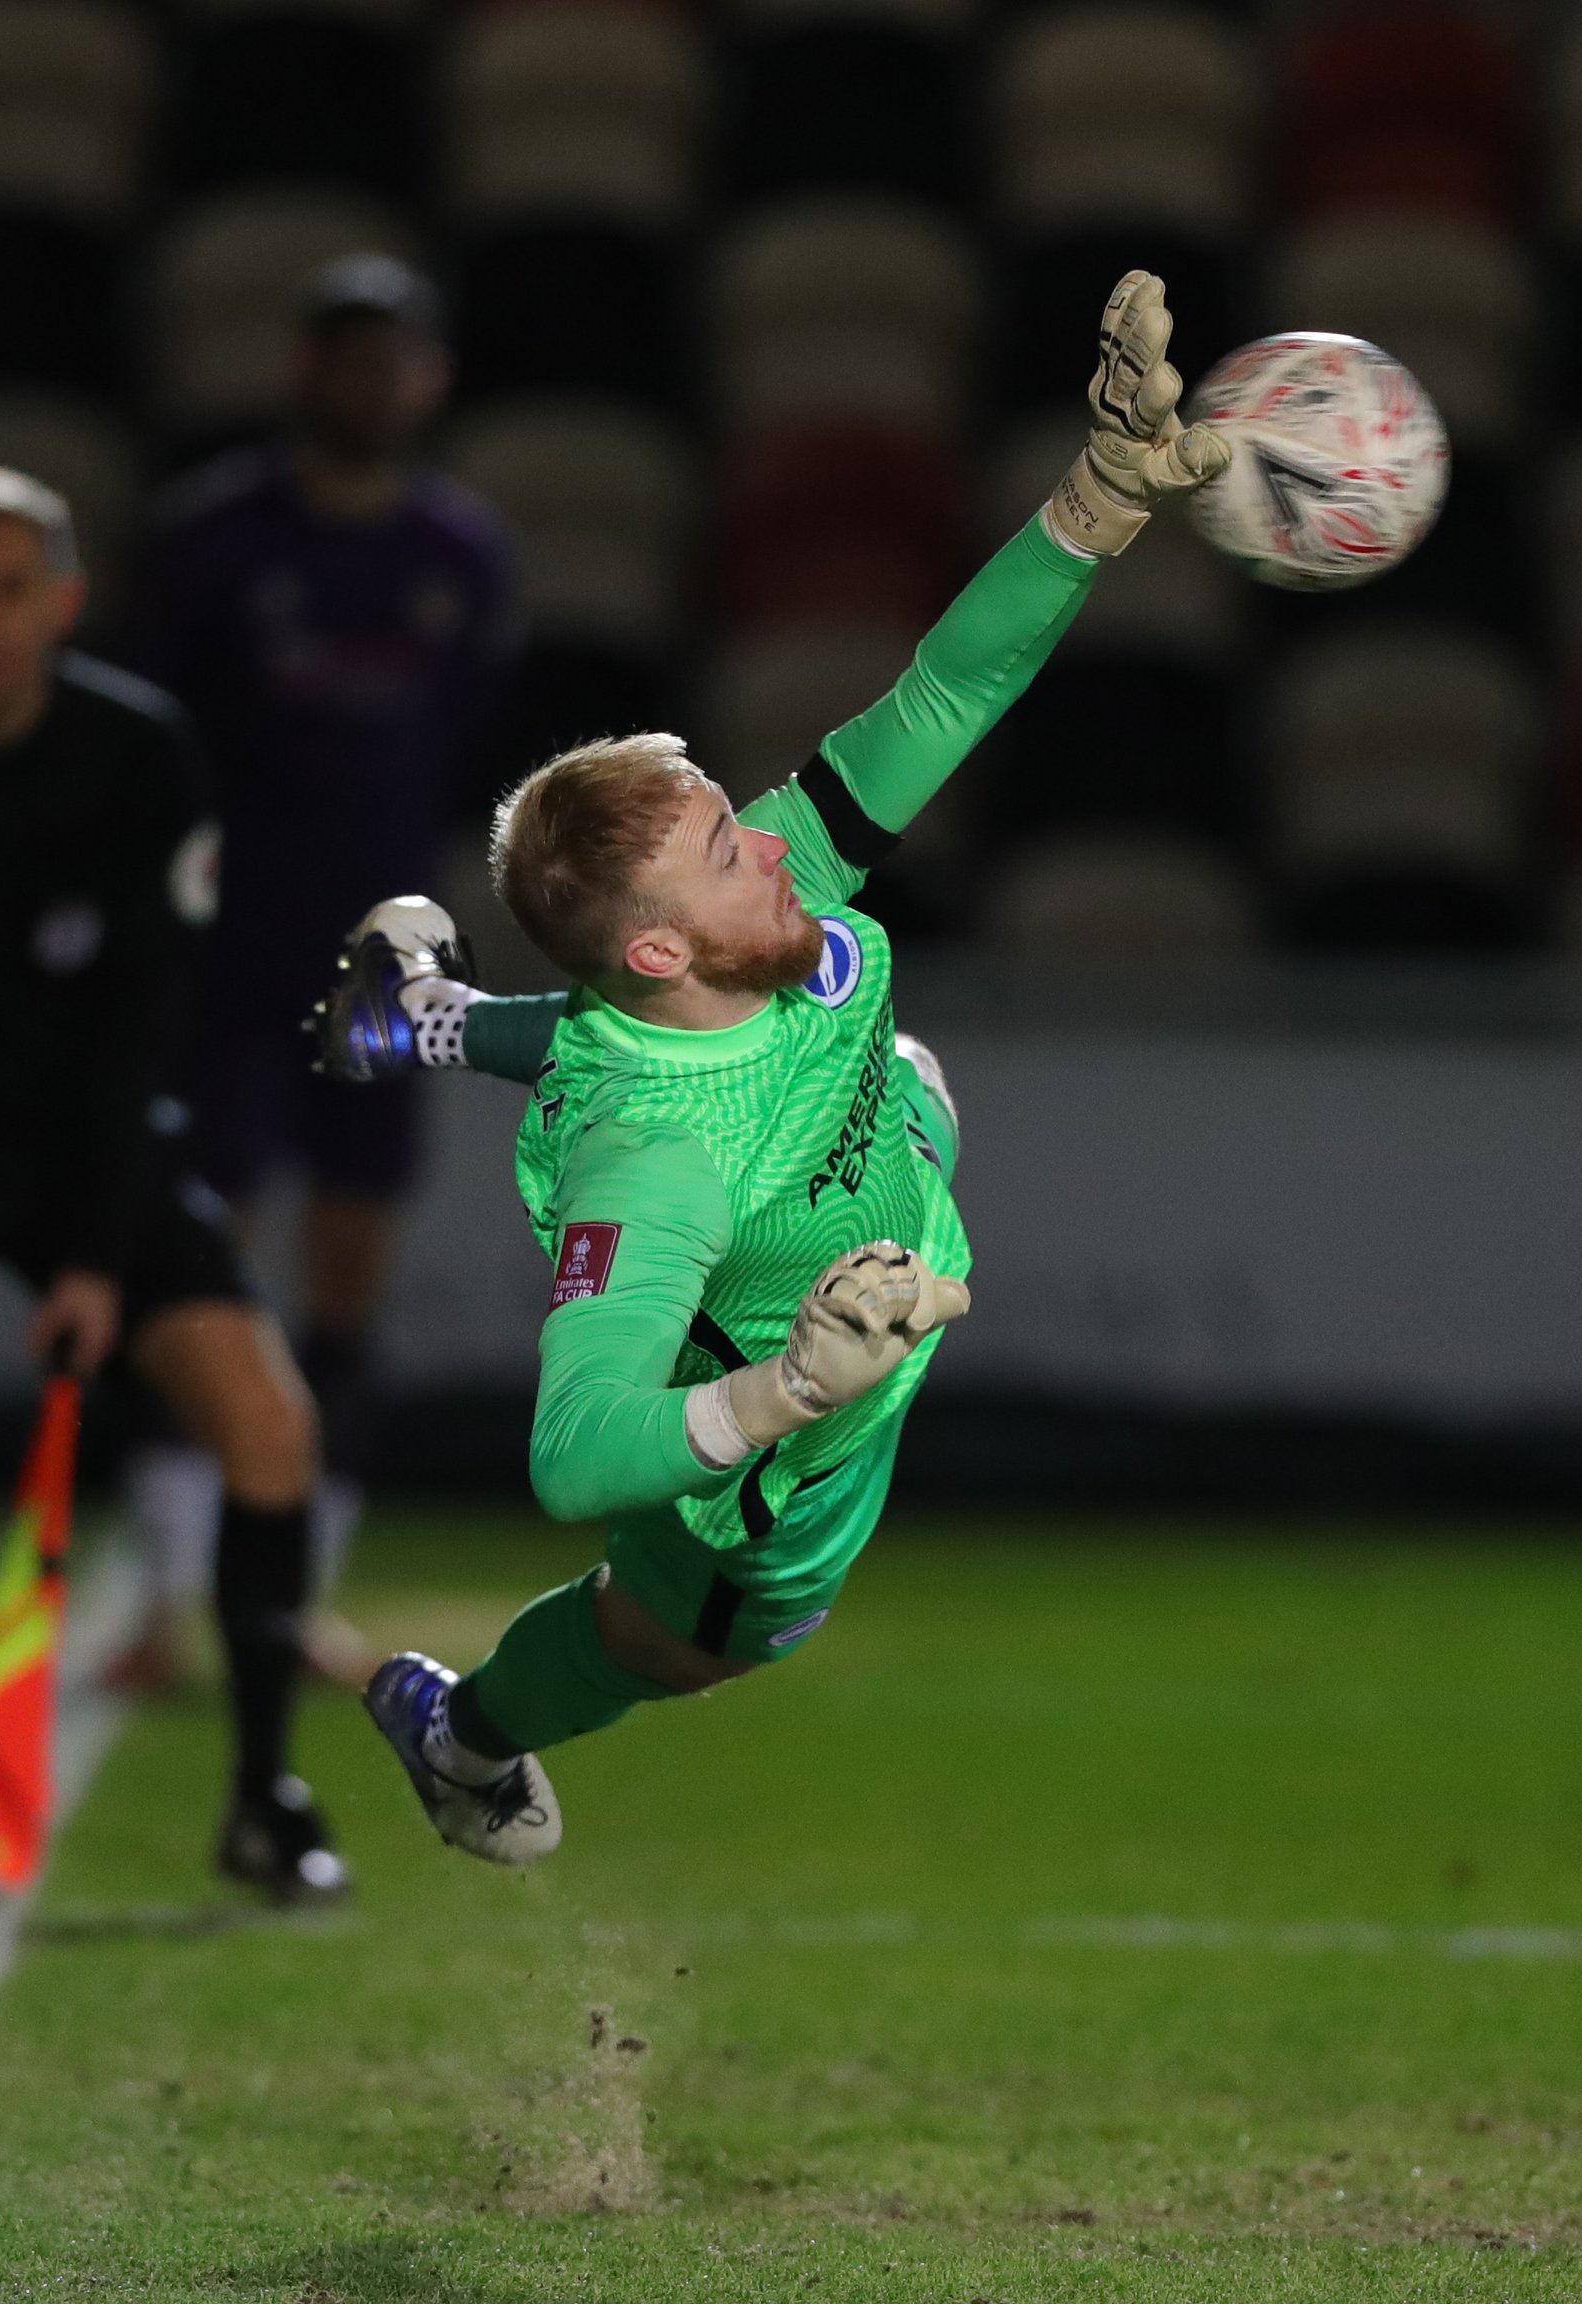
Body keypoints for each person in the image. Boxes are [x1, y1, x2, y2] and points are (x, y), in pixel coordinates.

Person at [314, 275, 1231, 1861]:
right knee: (671, 1645)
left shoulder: (751, 907)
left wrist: (1094, 507)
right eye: (734, 856)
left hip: (862, 1219)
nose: (781, 850)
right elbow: (570, 1452)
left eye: (741, 823)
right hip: (779, 1466)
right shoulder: (652, 1165)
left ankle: (425, 1017)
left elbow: (948, 687)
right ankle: (459, 1735)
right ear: (663, 946)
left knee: (904, 1072)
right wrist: (791, 1385)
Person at [0, 464, 348, 1905]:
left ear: (62, 601)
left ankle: (263, 1798)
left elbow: (139, 1021)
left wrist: (99, 1257)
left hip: (84, 1142)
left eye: (6, 589)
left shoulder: (136, 752)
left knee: (266, 1424)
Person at [135, 253, 517, 1577]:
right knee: (200, 1247)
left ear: (429, 379)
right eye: (346, 355)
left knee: (352, 1248)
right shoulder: (214, 542)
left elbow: (469, 747)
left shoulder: (459, 556)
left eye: (392, 357)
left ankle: (305, 1560)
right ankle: (175, 1556)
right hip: (231, 947)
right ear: (302, 370)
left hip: (386, 953)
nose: (370, 382)